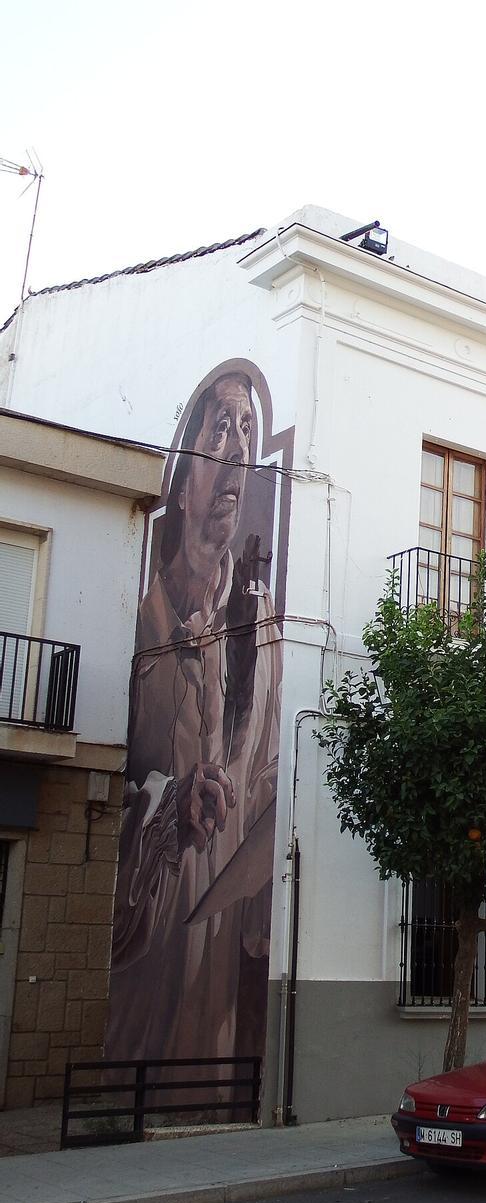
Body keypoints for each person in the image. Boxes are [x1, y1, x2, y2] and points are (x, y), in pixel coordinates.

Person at [107, 370, 282, 1063]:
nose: (237, 448)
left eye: (248, 431)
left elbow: (267, 783)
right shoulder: (137, 622)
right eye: (219, 430)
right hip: (142, 1004)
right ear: (181, 486)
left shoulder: (262, 630)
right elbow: (102, 804)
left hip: (218, 1013)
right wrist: (168, 814)